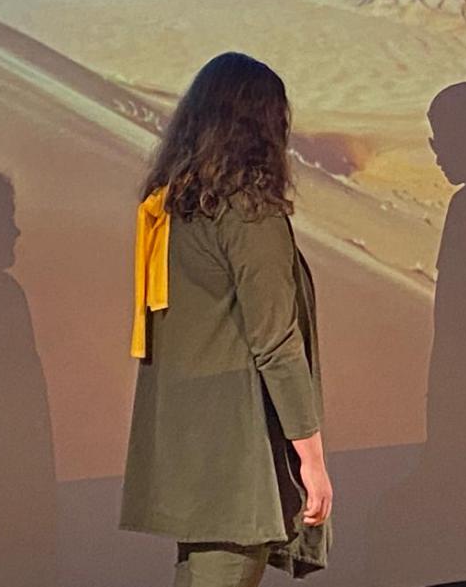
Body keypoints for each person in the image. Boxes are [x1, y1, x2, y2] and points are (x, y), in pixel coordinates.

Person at [119, 52, 332, 587]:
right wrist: (311, 460)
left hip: (196, 439)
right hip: (235, 447)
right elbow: (276, 342)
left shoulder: (180, 207)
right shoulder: (247, 211)